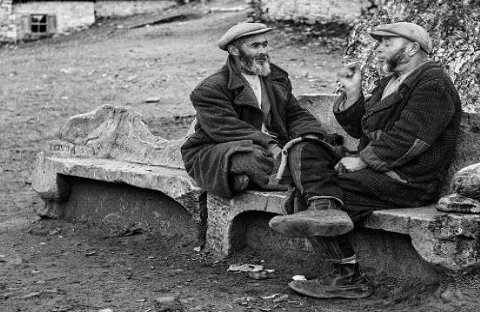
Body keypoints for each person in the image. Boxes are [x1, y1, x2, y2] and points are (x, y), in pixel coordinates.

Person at [268, 21, 462, 300]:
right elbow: (362, 129)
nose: (380, 49)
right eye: (379, 43)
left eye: (388, 43)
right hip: (380, 174)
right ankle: (324, 212)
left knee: (316, 190)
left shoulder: (432, 83)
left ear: (413, 48)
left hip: (408, 180)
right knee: (305, 150)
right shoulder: (392, 82)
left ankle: (346, 277)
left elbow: (411, 139)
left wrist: (364, 160)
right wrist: (353, 93)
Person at [180, 22, 326, 198]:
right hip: (221, 147)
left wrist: (309, 135)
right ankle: (301, 178)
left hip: (277, 145)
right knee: (250, 157)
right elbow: (226, 128)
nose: (262, 51)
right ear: (234, 50)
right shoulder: (210, 88)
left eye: (265, 44)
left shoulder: (276, 78)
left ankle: (256, 177)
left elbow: (294, 113)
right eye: (255, 46)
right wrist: (271, 145)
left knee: (321, 146)